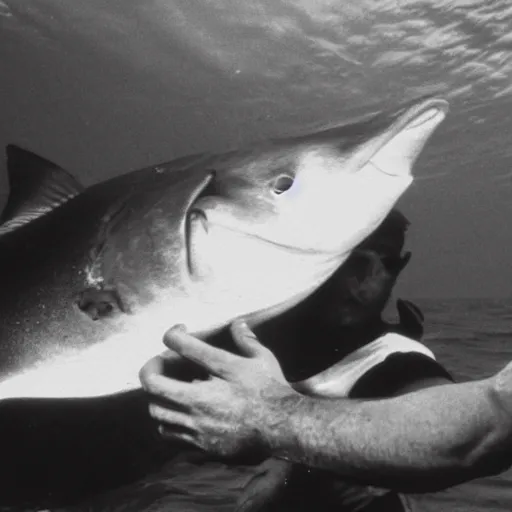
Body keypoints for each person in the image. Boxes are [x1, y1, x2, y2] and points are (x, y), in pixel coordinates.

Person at [138, 210, 512, 511]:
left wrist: (268, 423)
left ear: (398, 268)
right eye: (346, 260)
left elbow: (456, 431)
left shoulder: (400, 360)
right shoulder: (253, 334)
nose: (359, 283)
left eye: (378, 264)